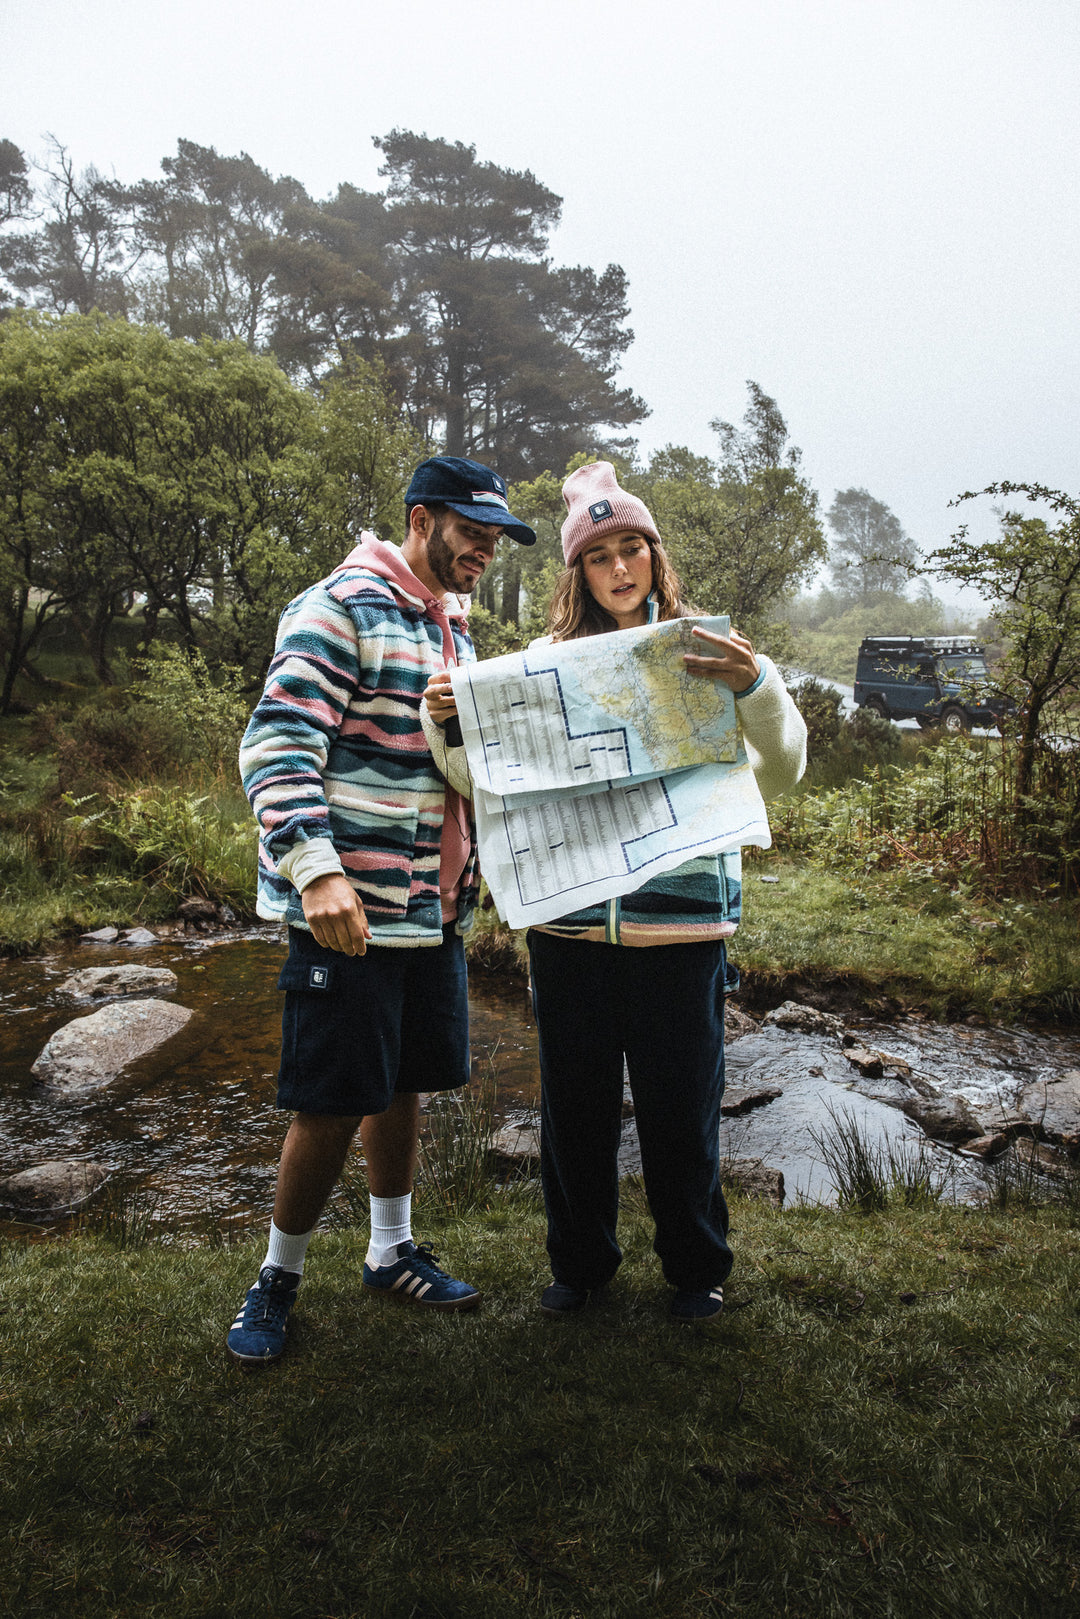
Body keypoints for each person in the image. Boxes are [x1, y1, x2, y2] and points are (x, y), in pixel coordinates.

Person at [424, 461, 806, 1324]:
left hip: (684, 929)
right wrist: (445, 724)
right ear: (580, 574)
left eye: (633, 548)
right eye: (601, 557)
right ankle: (580, 1267)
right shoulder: (540, 668)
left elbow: (778, 772)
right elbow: (488, 789)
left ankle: (696, 1270)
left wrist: (756, 687)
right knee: (577, 1109)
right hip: (568, 933)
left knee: (680, 1110)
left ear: (654, 557)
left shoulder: (710, 656)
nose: (620, 569)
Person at [226, 455, 536, 1367]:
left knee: (400, 1082)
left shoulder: (455, 626)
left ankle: (389, 1248)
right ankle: (277, 1278)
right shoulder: (341, 605)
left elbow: (456, 765)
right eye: (471, 532)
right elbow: (278, 745)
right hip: (347, 910)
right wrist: (316, 874)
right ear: (421, 518)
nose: (484, 549)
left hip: (430, 912)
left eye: (496, 537)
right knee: (328, 1101)